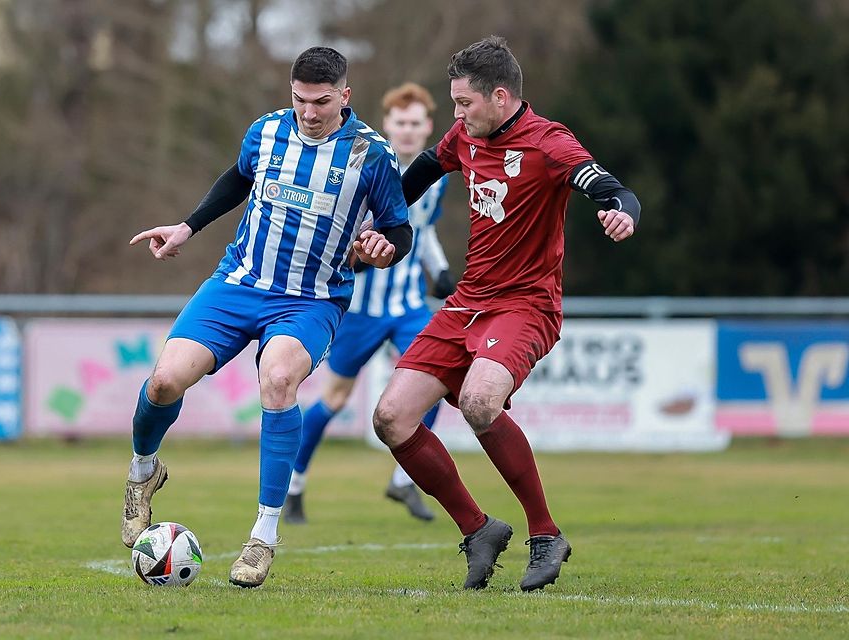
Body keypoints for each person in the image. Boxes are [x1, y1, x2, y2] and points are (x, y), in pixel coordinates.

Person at [122, 46, 413, 589]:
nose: (309, 112)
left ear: (345, 96)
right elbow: (238, 179)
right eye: (300, 99)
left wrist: (383, 248)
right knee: (163, 381)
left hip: (312, 299)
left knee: (278, 380)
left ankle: (263, 535)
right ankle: (143, 472)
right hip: (238, 284)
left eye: (321, 102)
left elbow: (400, 228)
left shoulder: (371, 155)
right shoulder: (267, 130)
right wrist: (187, 227)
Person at [372, 36, 641, 592]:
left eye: (464, 103)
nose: (456, 115)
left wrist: (621, 212)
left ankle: (546, 534)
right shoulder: (465, 136)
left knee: (479, 401)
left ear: (500, 96)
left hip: (526, 304)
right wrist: (379, 219)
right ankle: (479, 530)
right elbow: (421, 172)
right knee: (391, 418)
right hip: (467, 302)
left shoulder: (549, 143)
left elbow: (611, 189)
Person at [283, 83, 455, 525]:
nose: (408, 130)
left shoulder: (436, 175)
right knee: (335, 398)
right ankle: (294, 484)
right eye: (400, 122)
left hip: (409, 306)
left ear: (428, 127)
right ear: (388, 125)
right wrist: (349, 260)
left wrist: (439, 270)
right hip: (359, 308)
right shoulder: (366, 162)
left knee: (436, 382)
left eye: (416, 123)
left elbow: (424, 230)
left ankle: (403, 479)